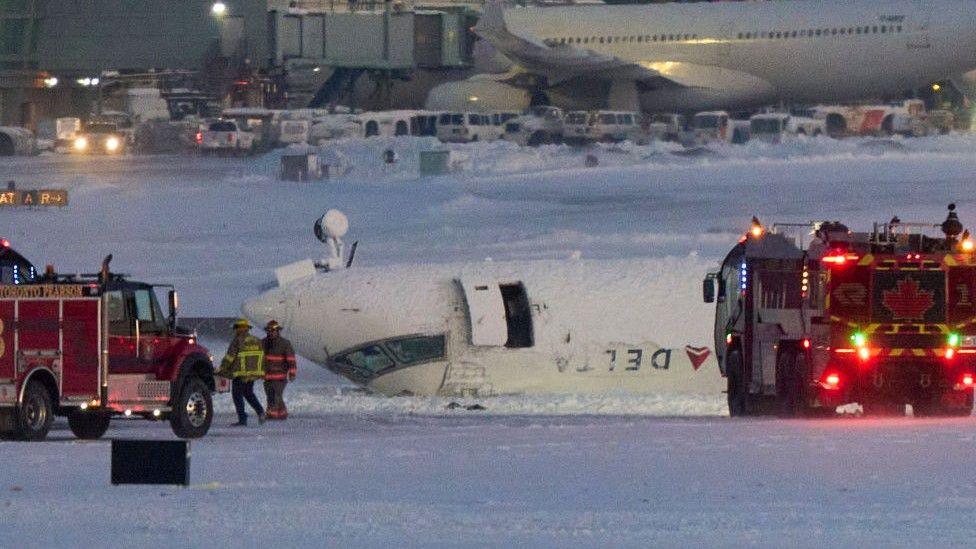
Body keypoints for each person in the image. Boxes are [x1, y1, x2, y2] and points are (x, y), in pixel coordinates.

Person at [218, 318, 266, 426]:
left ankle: (242, 419)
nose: (235, 331)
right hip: (252, 374)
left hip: (240, 374)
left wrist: (222, 368)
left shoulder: (238, 340)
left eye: (236, 329)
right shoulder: (257, 340)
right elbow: (262, 358)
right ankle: (261, 412)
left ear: (239, 329)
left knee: (237, 396)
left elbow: (230, 357)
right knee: (249, 393)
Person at [262, 320, 297, 420]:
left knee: (275, 395)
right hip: (267, 376)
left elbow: (291, 359)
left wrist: (292, 373)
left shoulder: (285, 343)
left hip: (280, 376)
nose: (271, 332)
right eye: (269, 330)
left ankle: (271, 414)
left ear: (277, 331)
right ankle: (282, 413)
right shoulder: (263, 343)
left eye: (273, 330)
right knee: (270, 395)